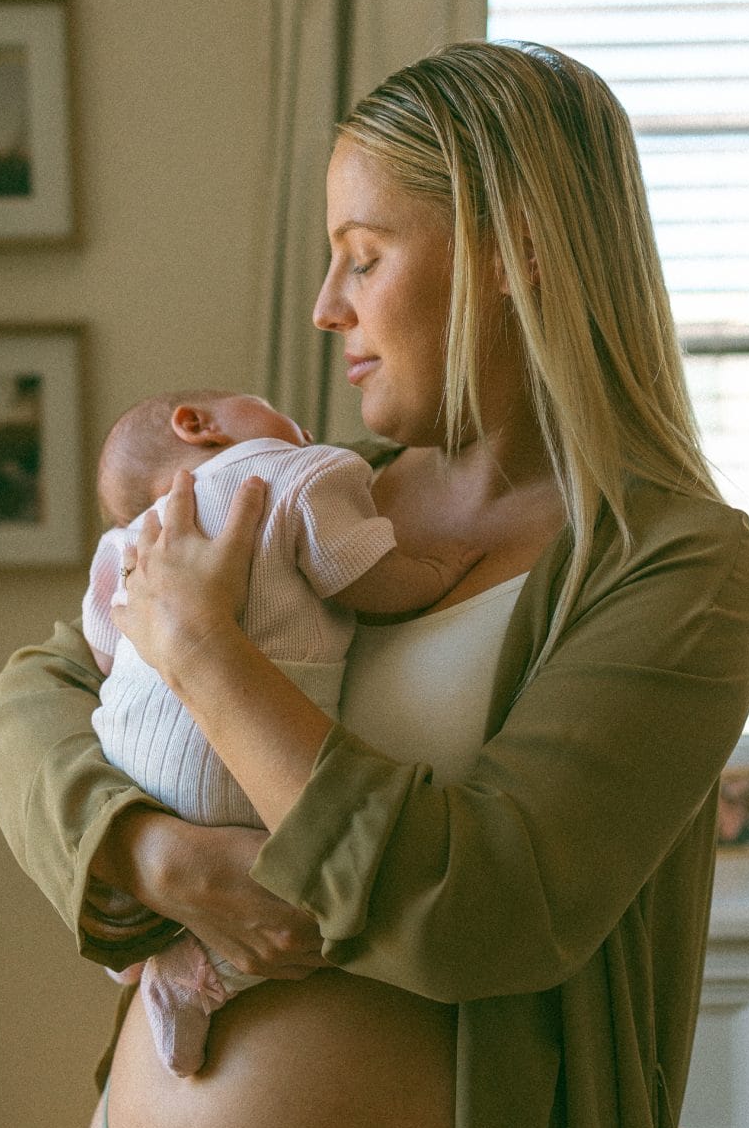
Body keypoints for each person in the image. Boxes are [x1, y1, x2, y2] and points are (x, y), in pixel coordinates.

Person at [0, 39, 749, 1128]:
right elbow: (25, 708)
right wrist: (157, 854)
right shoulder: (310, 488)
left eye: (363, 256)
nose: (327, 307)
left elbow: (494, 906)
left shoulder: (671, 570)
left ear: (514, 249)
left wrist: (210, 657)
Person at [84, 385, 480, 1074]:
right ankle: (195, 975)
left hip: (129, 745)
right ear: (197, 423)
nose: (295, 425)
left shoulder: (132, 538)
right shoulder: (297, 468)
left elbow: (100, 641)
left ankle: (148, 940)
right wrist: (430, 575)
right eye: (273, 408)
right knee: (295, 895)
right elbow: (357, 575)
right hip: (226, 759)